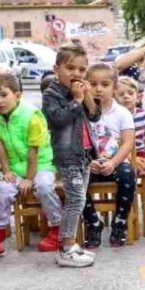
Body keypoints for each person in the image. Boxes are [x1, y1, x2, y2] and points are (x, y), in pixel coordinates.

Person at [0, 72, 63, 259]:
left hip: (41, 164)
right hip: (16, 167)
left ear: (17, 95)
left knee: (43, 187)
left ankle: (57, 228)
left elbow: (33, 150)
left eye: (3, 95)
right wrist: (7, 171)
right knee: (2, 190)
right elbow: (0, 146)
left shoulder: (32, 115)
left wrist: (29, 179)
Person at [42, 44, 100, 266]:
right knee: (75, 199)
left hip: (84, 154)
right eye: (70, 68)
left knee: (80, 198)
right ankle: (66, 248)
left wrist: (85, 97)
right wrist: (75, 101)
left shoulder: (78, 93)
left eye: (81, 69)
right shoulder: (52, 94)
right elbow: (57, 119)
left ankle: (71, 245)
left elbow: (94, 116)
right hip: (68, 156)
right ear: (57, 68)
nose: (76, 74)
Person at [82, 63, 137, 249]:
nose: (98, 89)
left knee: (128, 173)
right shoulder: (80, 112)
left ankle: (120, 221)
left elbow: (128, 143)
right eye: (93, 84)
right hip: (89, 162)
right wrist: (89, 163)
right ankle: (93, 222)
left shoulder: (122, 113)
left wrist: (113, 163)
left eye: (104, 84)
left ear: (114, 87)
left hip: (115, 162)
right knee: (73, 179)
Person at [117, 77, 145, 173]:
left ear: (138, 97)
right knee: (130, 166)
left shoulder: (143, 115)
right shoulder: (115, 116)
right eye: (121, 94)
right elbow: (115, 143)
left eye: (130, 93)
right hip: (122, 154)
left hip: (140, 152)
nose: (126, 96)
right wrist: (132, 158)